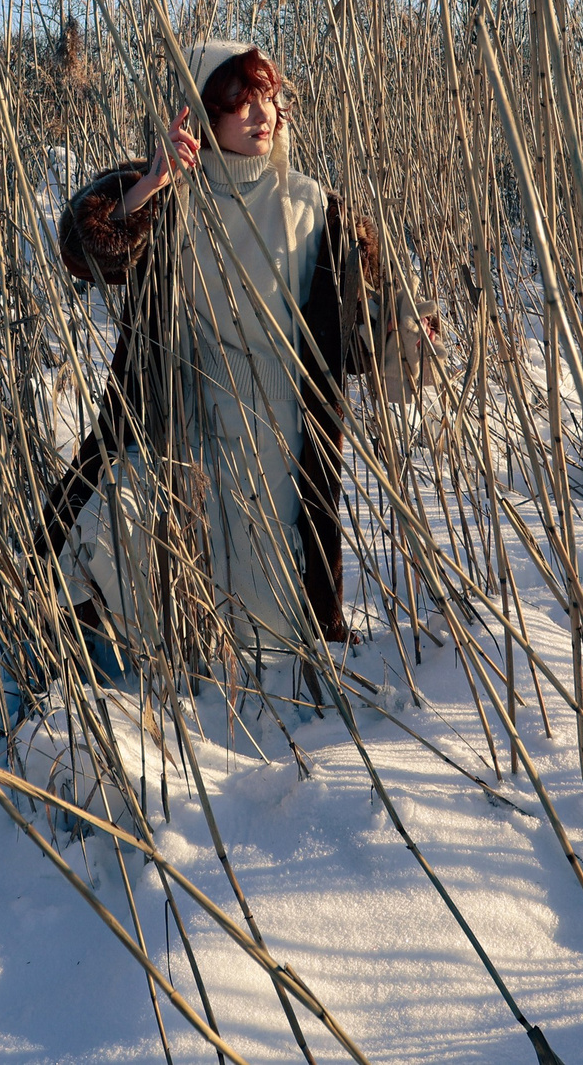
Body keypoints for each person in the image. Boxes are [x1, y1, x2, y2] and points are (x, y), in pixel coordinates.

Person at [38, 40, 438, 686]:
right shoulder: (174, 195)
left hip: (280, 429)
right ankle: (113, 678)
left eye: (269, 98)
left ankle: (263, 717)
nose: (262, 114)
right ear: (205, 114)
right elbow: (87, 246)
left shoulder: (316, 207)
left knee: (269, 622)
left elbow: (354, 336)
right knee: (118, 529)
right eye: (240, 102)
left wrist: (409, 339)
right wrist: (151, 184)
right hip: (185, 416)